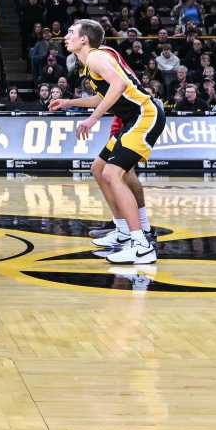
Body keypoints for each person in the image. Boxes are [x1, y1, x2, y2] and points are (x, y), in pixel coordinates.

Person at [51, 20, 165, 265]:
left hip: (144, 115)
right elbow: (105, 96)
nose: (66, 36)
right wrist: (69, 103)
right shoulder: (93, 60)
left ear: (84, 39)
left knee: (113, 174)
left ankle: (141, 245)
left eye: (71, 32)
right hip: (132, 118)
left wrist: (92, 120)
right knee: (99, 169)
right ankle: (124, 231)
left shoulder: (94, 57)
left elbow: (120, 85)